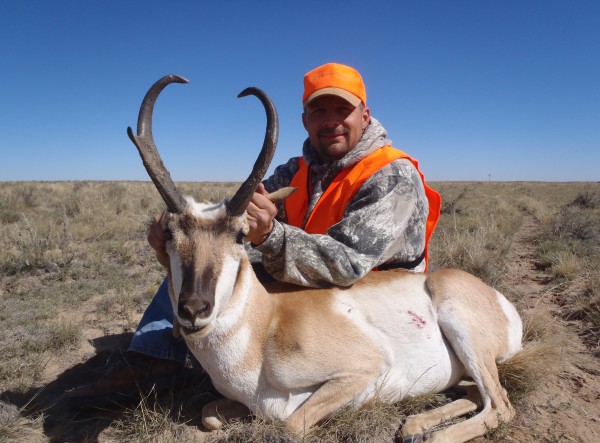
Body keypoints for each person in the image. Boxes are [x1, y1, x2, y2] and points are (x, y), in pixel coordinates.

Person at [67, 62, 441, 408]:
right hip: (313, 282)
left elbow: (348, 265)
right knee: (207, 262)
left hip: (377, 297)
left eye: (342, 110)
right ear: (305, 119)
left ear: (365, 115)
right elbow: (233, 218)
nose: (331, 122)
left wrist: (273, 237)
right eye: (319, 111)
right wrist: (182, 233)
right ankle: (152, 361)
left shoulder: (391, 175)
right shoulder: (296, 170)